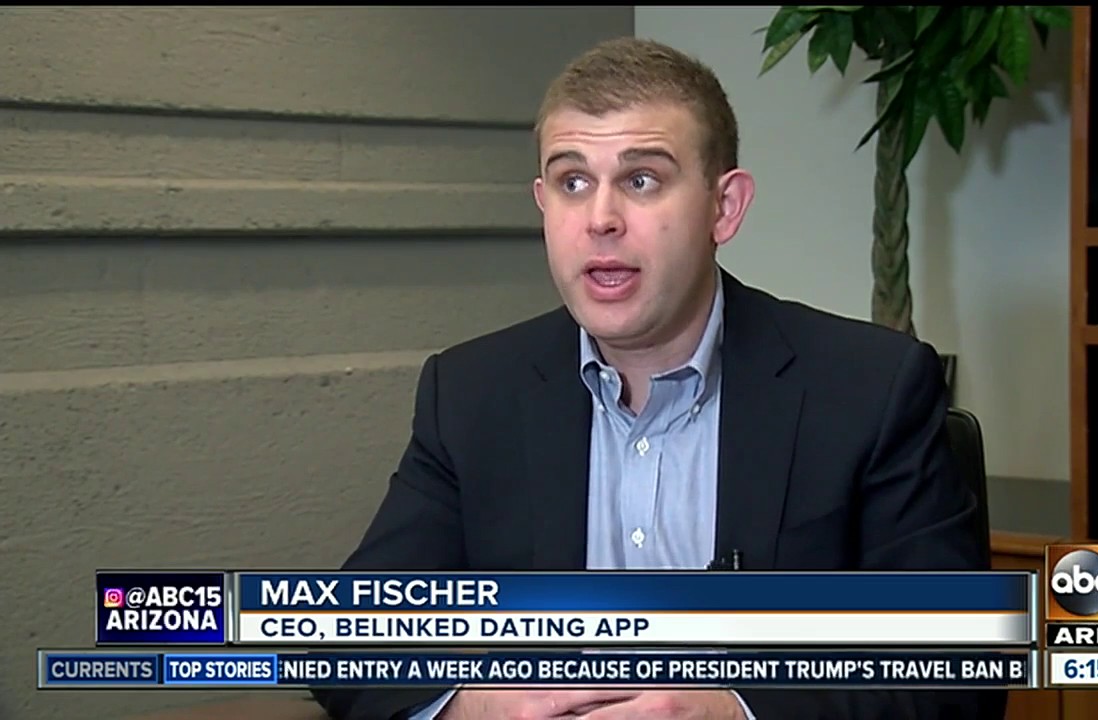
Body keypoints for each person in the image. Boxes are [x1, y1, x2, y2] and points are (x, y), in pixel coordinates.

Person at [312, 37, 1002, 720]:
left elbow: (955, 675)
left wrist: (732, 712)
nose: (601, 220)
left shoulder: (869, 389)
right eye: (572, 182)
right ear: (542, 204)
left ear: (724, 207)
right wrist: (479, 706)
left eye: (641, 180)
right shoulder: (470, 394)